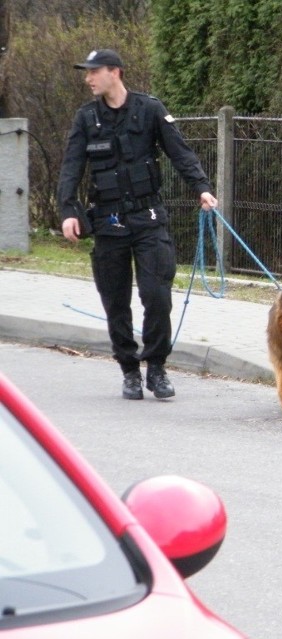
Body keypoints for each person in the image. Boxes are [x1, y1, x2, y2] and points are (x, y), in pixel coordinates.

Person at [58, 49, 218, 400]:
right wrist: (68, 210)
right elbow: (71, 167)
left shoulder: (149, 109)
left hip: (148, 219)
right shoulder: (86, 118)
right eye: (87, 73)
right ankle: (129, 370)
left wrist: (202, 189)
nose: (88, 78)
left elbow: (181, 152)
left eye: (94, 72)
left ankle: (156, 368)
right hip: (108, 220)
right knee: (115, 301)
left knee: (157, 295)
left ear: (114, 72)